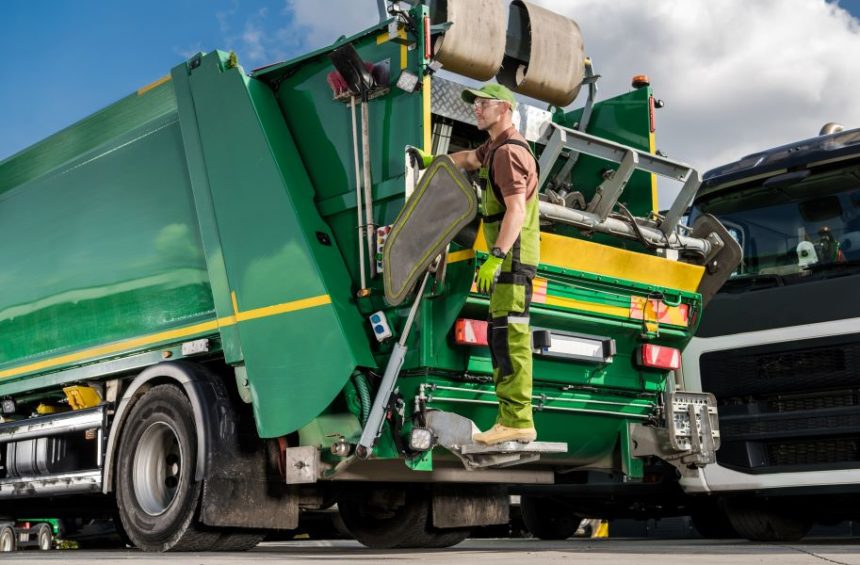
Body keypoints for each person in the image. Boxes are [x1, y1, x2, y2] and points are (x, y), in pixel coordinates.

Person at [409, 84, 540, 445]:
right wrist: (434, 161)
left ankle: (517, 420)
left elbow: (516, 210)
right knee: (502, 337)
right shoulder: (495, 147)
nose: (477, 109)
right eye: (476, 104)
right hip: (511, 258)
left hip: (513, 259)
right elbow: (468, 159)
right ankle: (513, 418)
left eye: (484, 104)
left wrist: (495, 257)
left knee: (509, 339)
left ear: (505, 109)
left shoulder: (509, 154)